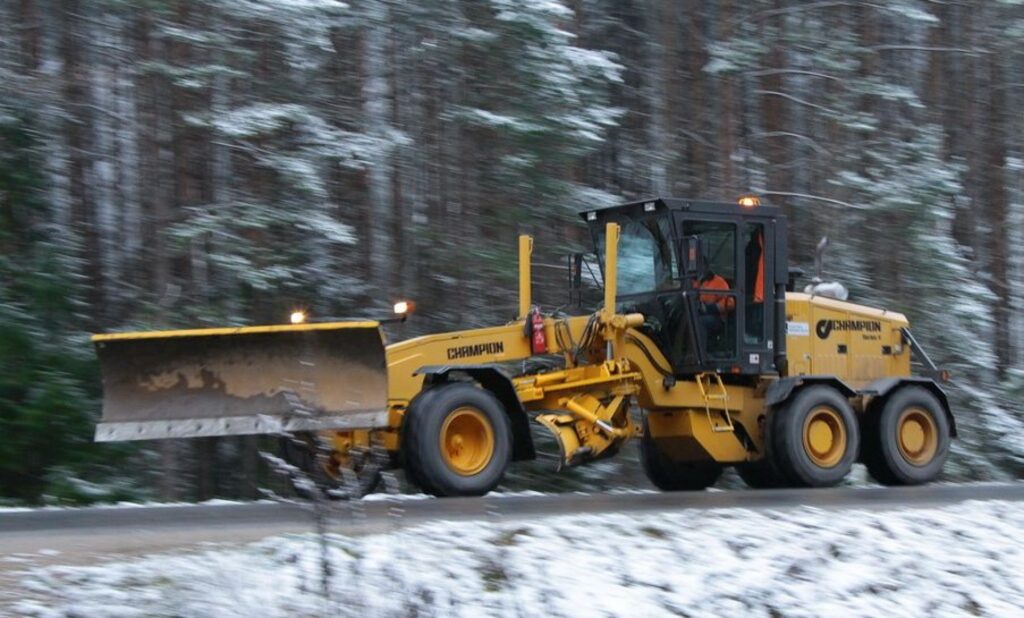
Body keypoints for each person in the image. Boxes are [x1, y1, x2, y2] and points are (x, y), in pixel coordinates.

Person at [696, 269, 735, 349]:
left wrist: (710, 308)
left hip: (718, 318)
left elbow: (730, 303)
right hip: (701, 313)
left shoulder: (719, 282)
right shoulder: (700, 282)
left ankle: (703, 350)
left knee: (699, 323)